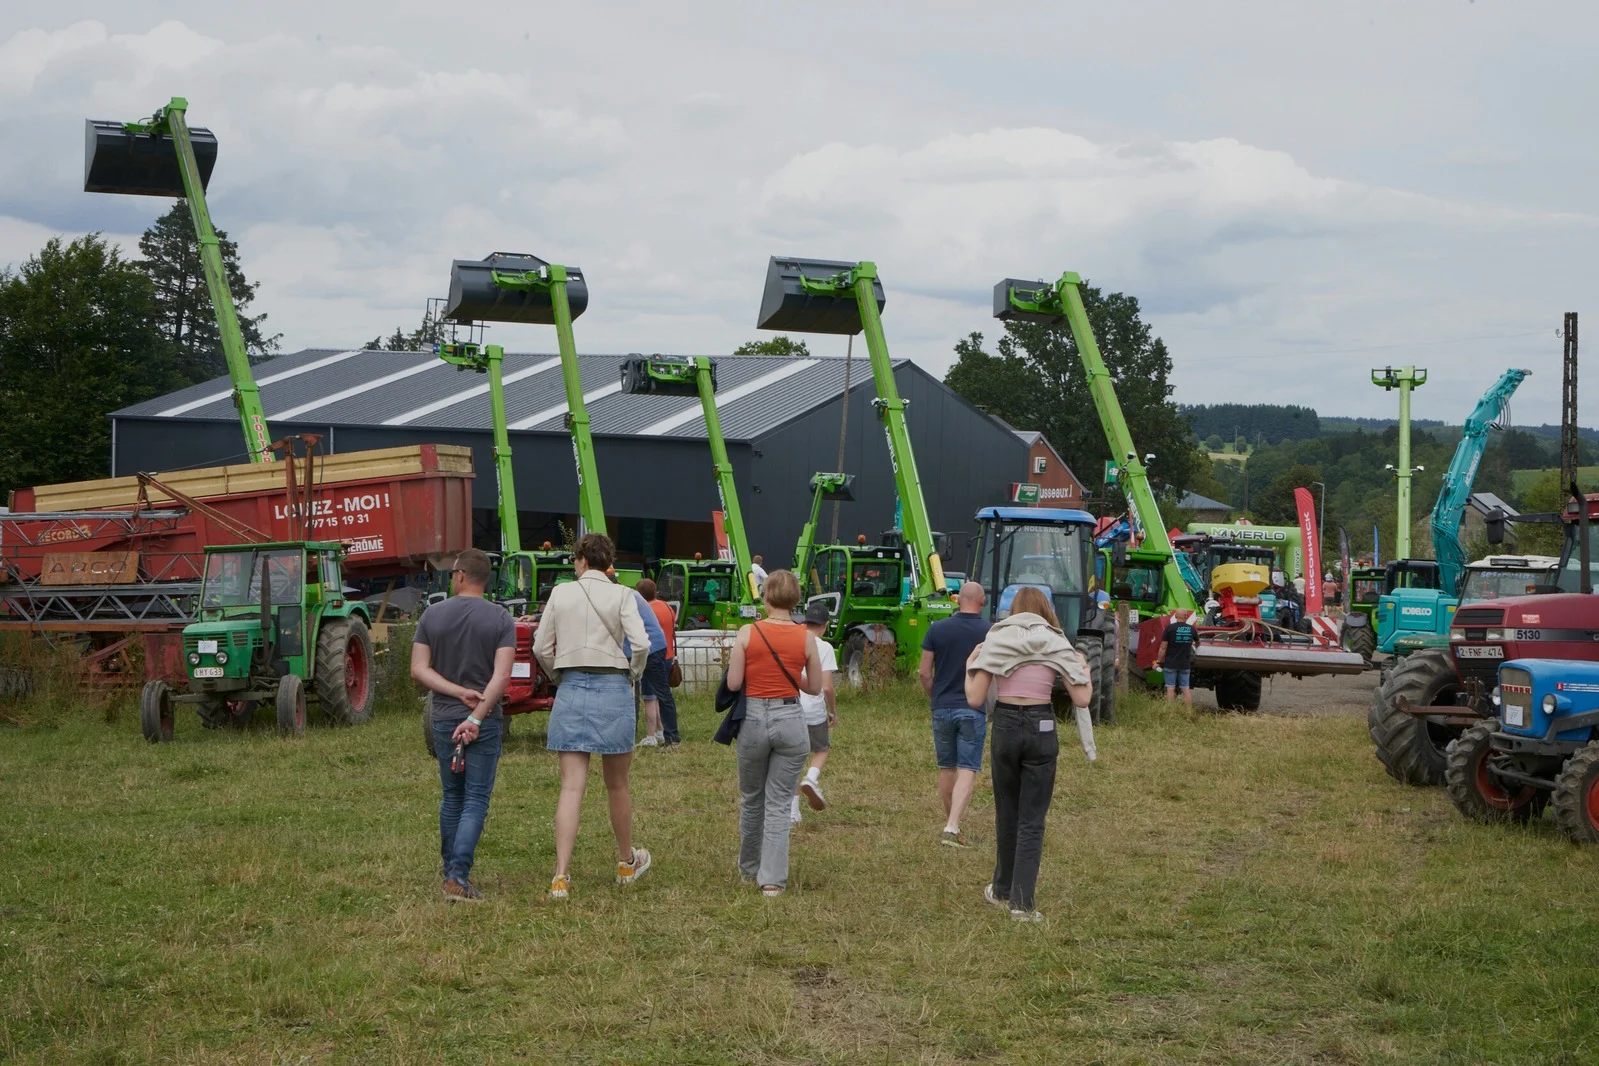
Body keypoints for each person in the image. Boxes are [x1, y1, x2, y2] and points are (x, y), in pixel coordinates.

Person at [532, 533, 653, 900]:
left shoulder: (561, 593)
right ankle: (625, 861)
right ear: (608, 562)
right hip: (613, 687)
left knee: (571, 786)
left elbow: (540, 645)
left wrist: (557, 675)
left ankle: (561, 876)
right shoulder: (622, 594)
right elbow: (643, 643)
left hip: (571, 686)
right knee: (617, 784)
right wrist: (632, 674)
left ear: (581, 559)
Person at [964, 586, 1094, 923]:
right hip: (1042, 727)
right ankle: (1022, 904)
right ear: (1045, 610)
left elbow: (976, 699)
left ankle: (1002, 889)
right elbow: (1082, 699)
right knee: (1031, 820)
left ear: (1014, 610)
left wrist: (970, 666)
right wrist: (1086, 671)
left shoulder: (997, 638)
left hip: (1006, 725)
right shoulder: (1056, 641)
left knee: (1007, 812)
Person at [410, 548, 516, 903]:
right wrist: (477, 713)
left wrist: (457, 693)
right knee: (475, 799)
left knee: (452, 796)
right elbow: (502, 676)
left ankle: (448, 871)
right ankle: (457, 876)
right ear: (484, 579)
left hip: (443, 716)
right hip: (484, 719)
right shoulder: (501, 619)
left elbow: (419, 670)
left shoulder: (433, 615)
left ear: (459, 575)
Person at [725, 569, 824, 896]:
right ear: (796, 601)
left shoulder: (747, 633)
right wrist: (791, 677)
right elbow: (814, 687)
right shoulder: (807, 638)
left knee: (752, 799)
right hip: (790, 720)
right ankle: (772, 882)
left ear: (766, 597)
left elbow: (734, 683)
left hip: (753, 717)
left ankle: (748, 870)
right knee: (780, 803)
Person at [918, 581, 991, 848]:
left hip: (942, 707)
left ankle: (951, 824)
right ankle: (952, 826)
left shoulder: (937, 629)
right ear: (982, 601)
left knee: (946, 767)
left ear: (958, 599)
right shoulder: (989, 632)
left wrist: (935, 697)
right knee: (967, 768)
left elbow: (924, 672)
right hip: (973, 708)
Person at [792, 598, 838, 825]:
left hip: (790, 708)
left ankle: (792, 812)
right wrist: (833, 711)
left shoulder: (792, 641)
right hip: (813, 710)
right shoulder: (825, 647)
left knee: (792, 759)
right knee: (821, 749)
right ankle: (811, 778)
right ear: (825, 624)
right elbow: (827, 686)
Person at [635, 578, 680, 748]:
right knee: (662, 693)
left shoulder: (645, 610)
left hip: (651, 654)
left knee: (649, 698)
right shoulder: (667, 607)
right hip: (668, 655)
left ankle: (651, 734)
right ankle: (663, 731)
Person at [1156, 606, 1200, 707]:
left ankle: (1170, 712)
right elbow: (1197, 643)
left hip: (1170, 664)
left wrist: (1158, 661)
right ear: (1186, 617)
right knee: (1185, 688)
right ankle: (1188, 712)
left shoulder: (1170, 628)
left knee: (1170, 688)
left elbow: (1163, 647)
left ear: (1176, 616)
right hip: (1185, 664)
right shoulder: (1192, 629)